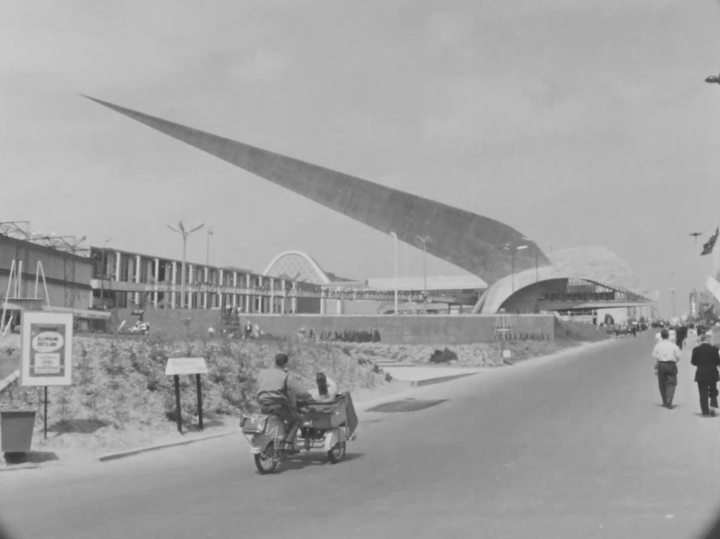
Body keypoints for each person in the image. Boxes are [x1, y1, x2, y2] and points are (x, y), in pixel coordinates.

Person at [255, 353, 311, 449]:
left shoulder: (262, 372)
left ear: (275, 361)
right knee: (296, 420)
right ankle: (287, 443)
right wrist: (309, 395)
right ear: (285, 364)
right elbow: (298, 391)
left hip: (263, 405)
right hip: (278, 406)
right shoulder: (285, 375)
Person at [691, 332, 720, 417]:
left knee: (703, 392)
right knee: (713, 391)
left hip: (701, 373)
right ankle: (713, 406)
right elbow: (718, 361)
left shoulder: (696, 349)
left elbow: (693, 362)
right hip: (712, 373)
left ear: (701, 340)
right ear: (708, 340)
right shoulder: (714, 349)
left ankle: (705, 411)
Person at [652, 329, 682, 409]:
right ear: (668, 336)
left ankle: (665, 401)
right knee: (672, 383)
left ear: (661, 336)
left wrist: (655, 368)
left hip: (661, 365)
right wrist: (674, 362)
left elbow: (655, 358)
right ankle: (670, 399)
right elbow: (678, 357)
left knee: (662, 384)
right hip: (671, 364)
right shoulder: (673, 346)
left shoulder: (658, 346)